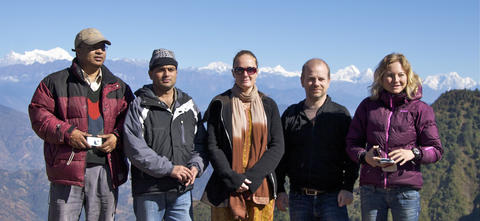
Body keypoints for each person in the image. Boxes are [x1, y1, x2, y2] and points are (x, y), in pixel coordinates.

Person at [28, 28, 134, 220]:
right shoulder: (55, 82)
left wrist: (116, 137)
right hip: (68, 168)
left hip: (106, 167)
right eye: (93, 47)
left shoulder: (119, 87)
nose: (100, 51)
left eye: (102, 47)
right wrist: (69, 133)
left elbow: (130, 120)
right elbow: (39, 115)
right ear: (78, 50)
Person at [345, 53, 443, 221]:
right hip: (371, 189)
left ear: (409, 77)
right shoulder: (368, 106)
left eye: (400, 75)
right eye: (390, 75)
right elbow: (352, 143)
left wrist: (414, 153)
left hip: (406, 191)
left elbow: (435, 150)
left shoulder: (420, 109)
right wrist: (364, 156)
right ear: (381, 78)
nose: (395, 80)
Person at [123, 48, 207, 221]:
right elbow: (135, 148)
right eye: (161, 69)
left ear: (176, 72)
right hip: (149, 190)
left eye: (171, 69)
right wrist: (169, 169)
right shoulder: (140, 105)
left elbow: (200, 143)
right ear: (151, 73)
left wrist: (196, 166)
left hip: (181, 190)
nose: (166, 74)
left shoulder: (188, 105)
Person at [202, 50, 284, 220]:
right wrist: (232, 178)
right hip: (225, 187)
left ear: (257, 72)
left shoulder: (268, 105)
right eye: (239, 70)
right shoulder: (220, 103)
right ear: (233, 73)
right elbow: (212, 145)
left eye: (250, 69)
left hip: (260, 188)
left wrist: (252, 178)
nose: (245, 74)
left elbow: (277, 146)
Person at [275, 58, 359, 220]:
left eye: (321, 79)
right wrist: (279, 190)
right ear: (302, 81)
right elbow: (280, 156)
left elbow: (351, 155)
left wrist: (348, 187)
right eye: (311, 78)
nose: (316, 83)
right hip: (298, 198)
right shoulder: (290, 115)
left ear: (329, 81)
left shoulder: (340, 115)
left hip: (333, 198)